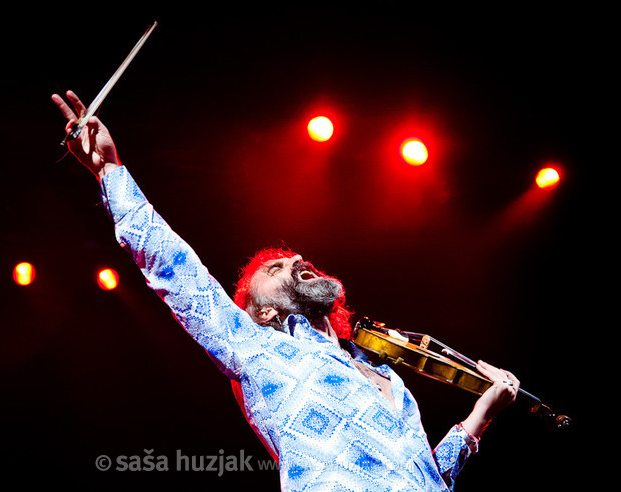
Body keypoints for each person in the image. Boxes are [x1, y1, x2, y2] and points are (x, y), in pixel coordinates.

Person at [52, 90, 519, 491]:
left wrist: (480, 414)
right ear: (266, 314)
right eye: (276, 268)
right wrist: (110, 172)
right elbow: (175, 268)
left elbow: (425, 480)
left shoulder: (389, 378)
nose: (296, 260)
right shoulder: (256, 349)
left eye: (296, 258)